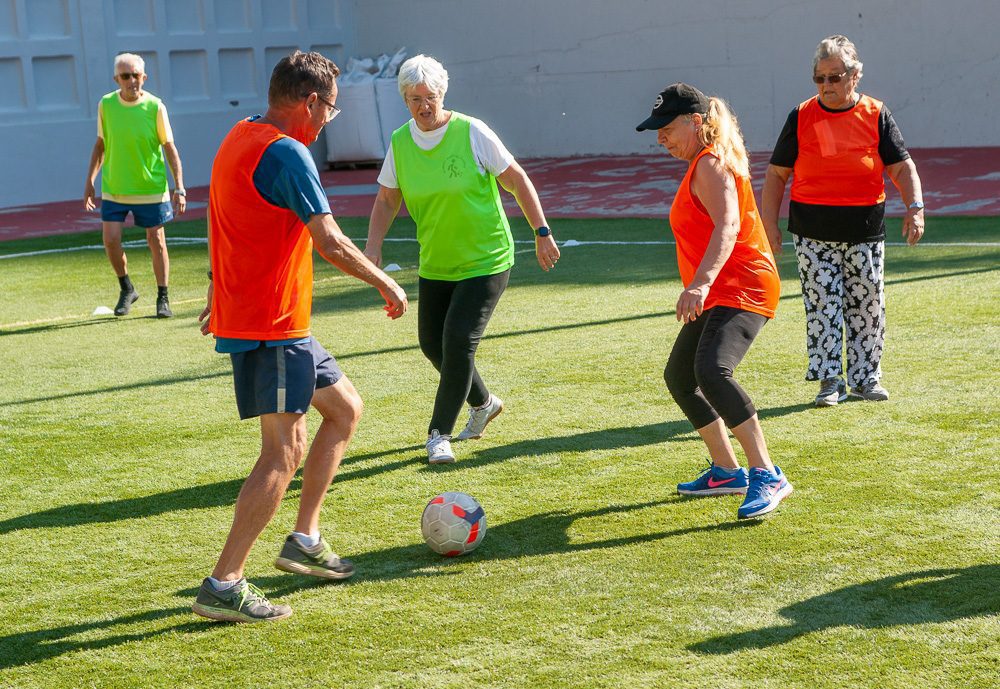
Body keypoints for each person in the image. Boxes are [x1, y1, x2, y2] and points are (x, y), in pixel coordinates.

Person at [192, 51, 408, 623]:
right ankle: (224, 581)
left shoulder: (240, 135)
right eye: (330, 110)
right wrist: (384, 279)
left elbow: (224, 218)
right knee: (281, 452)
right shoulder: (287, 152)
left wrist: (217, 289)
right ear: (309, 101)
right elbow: (329, 239)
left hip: (269, 317)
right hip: (272, 324)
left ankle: (304, 539)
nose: (328, 122)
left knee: (344, 409)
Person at [363, 55, 560, 464]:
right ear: (404, 99)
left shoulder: (472, 132)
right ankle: (484, 403)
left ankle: (439, 434)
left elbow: (516, 179)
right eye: (414, 98)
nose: (423, 105)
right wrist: (373, 248)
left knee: (457, 343)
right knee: (431, 344)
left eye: (430, 96)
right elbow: (386, 198)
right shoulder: (400, 142)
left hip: (486, 258)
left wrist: (542, 232)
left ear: (442, 94)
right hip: (437, 262)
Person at [636, 83, 791, 520]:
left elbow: (728, 227)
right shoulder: (701, 164)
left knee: (711, 370)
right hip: (722, 289)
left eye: (667, 128)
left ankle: (767, 473)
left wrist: (700, 284)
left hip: (743, 286)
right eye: (657, 131)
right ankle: (726, 470)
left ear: (696, 122)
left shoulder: (711, 164)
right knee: (680, 377)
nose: (660, 138)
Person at [761, 35, 925, 406]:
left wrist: (915, 207)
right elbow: (776, 174)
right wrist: (769, 225)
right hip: (812, 232)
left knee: (867, 305)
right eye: (820, 78)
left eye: (835, 77)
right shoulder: (801, 115)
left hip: (864, 230)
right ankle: (829, 381)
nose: (827, 85)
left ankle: (867, 377)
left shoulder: (875, 113)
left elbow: (901, 167)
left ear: (855, 75)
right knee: (822, 308)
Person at [84, 52, 186, 318]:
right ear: (116, 78)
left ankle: (163, 296)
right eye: (125, 76)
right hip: (115, 186)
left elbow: (170, 148)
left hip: (150, 188)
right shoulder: (106, 105)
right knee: (110, 240)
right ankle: (126, 287)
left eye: (136, 75)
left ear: (144, 77)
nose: (131, 81)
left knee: (157, 240)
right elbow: (100, 145)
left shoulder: (155, 107)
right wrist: (89, 182)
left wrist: (180, 187)